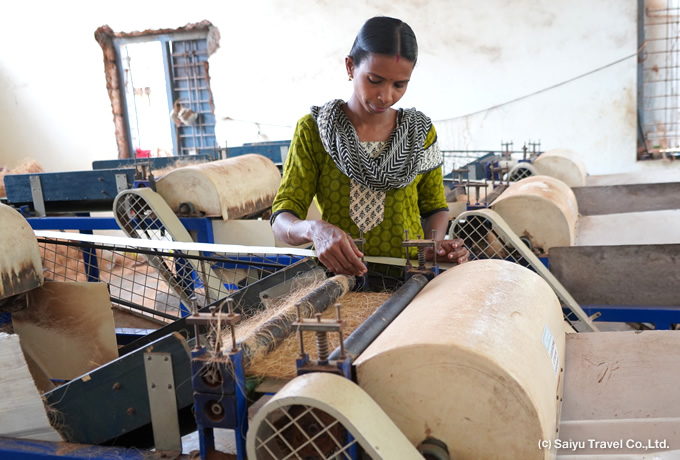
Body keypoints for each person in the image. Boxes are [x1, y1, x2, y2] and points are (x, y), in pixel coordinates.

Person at [270, 16, 469, 277]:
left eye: (400, 84)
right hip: (340, 280)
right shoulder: (316, 130)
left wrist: (432, 245)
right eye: (375, 80)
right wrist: (314, 230)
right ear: (350, 66)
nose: (386, 96)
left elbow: (434, 207)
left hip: (409, 277)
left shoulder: (419, 132)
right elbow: (283, 215)